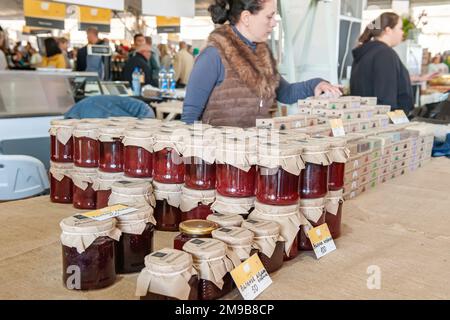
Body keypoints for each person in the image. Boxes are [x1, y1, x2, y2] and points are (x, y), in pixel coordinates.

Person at [181, 0, 341, 127]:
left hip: (255, 155)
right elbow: (190, 116)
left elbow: (286, 93)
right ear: (246, 18)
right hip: (220, 160)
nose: (274, 23)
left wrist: (315, 84)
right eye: (269, 17)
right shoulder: (213, 55)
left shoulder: (262, 57)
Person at [350, 12, 415, 114]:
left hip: (366, 120)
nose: (403, 33)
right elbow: (386, 100)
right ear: (388, 30)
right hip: (384, 123)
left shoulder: (365, 52)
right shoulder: (385, 54)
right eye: (400, 28)